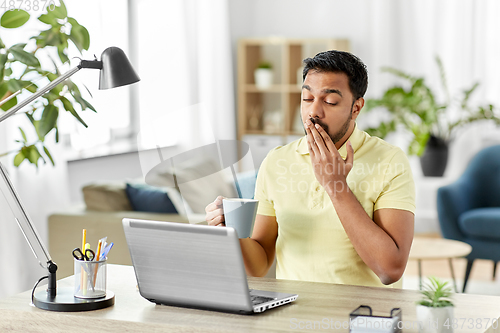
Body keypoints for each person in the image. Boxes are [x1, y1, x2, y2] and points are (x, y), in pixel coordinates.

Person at [205, 50, 415, 288]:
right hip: (292, 314)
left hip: (363, 318)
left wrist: (336, 186)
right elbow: (259, 264)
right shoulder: (276, 161)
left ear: (356, 108)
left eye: (330, 101)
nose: (313, 111)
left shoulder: (389, 161)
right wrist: (231, 230)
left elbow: (391, 269)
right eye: (307, 99)